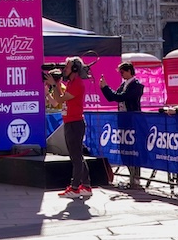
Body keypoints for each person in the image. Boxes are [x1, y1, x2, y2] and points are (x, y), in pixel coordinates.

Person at [52, 56, 91, 198]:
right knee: (77, 156)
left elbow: (61, 98)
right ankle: (86, 186)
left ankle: (75, 187)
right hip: (70, 121)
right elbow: (58, 100)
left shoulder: (77, 84)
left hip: (75, 123)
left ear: (74, 68)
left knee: (75, 157)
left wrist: (55, 84)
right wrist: (55, 84)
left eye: (67, 66)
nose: (64, 69)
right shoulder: (71, 83)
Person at [100, 62, 144, 189]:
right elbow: (113, 97)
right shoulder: (123, 85)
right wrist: (104, 88)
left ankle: (136, 178)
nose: (121, 75)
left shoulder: (136, 85)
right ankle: (132, 177)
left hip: (132, 121)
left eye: (123, 72)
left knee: (134, 149)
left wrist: (106, 88)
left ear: (129, 71)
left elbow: (122, 97)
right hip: (123, 120)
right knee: (125, 148)